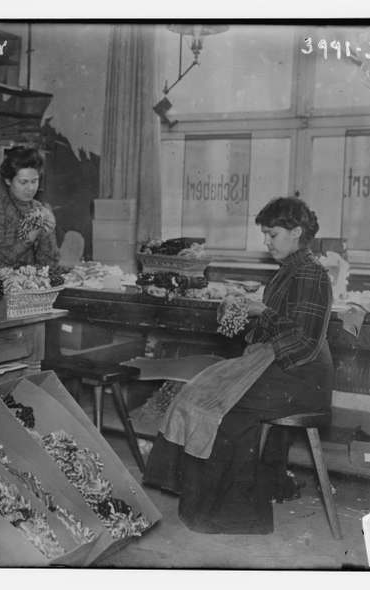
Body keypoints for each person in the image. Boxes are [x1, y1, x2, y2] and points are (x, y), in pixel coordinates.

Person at [143, 196, 334, 534]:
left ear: (296, 232)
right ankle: (207, 504)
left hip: (303, 375)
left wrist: (263, 313)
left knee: (224, 407)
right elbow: (270, 332)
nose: (266, 241)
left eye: (272, 234)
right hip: (283, 363)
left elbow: (303, 338)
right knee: (198, 392)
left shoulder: (312, 274)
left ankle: (234, 514)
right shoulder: (287, 272)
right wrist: (241, 312)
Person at [0, 147, 59, 270]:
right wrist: (32, 235)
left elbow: (51, 265)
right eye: (23, 182)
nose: (30, 188)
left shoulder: (43, 210)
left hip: (33, 286)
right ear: (8, 180)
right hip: (1, 285)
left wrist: (45, 236)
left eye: (34, 181)